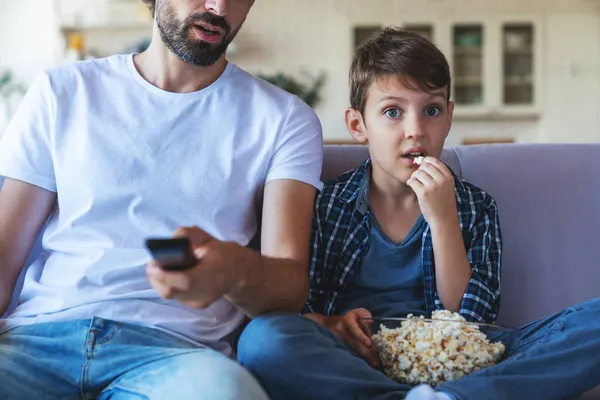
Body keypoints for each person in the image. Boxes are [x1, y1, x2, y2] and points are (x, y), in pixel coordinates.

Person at [237, 27, 600, 400]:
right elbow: (299, 312)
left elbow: (471, 322)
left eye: (431, 110)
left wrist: (443, 219)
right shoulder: (326, 205)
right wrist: (330, 326)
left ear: (449, 116)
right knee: (262, 340)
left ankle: (449, 395)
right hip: (357, 358)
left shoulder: (476, 206)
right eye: (392, 112)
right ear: (357, 125)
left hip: (460, 360)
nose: (416, 131)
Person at [0, 0, 323, 398]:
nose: (219, 7)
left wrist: (232, 270)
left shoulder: (284, 119)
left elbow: (289, 287)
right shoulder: (60, 91)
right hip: (36, 341)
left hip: (176, 354)